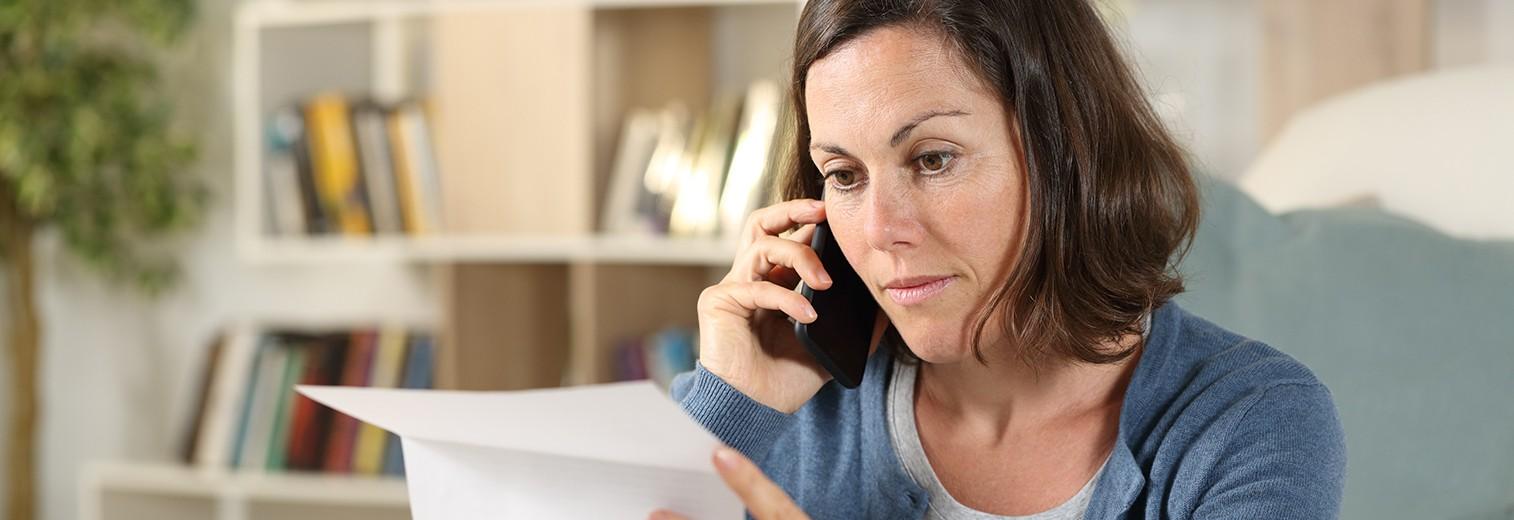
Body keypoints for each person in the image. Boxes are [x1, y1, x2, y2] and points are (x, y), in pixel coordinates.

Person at [654, 0, 1346, 518]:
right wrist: (731, 403)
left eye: (932, 159)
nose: (879, 230)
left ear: (1064, 155)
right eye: (844, 175)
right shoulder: (799, 408)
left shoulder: (1246, 420)